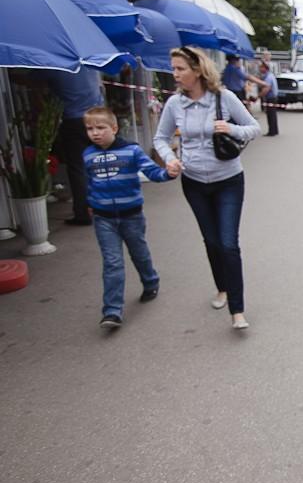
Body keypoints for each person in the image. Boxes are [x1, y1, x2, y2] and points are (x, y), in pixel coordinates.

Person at [154, 46, 261, 329]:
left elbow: (254, 127)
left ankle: (237, 310)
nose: (174, 74)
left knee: (228, 243)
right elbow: (160, 138)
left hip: (228, 181)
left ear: (198, 70)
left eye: (180, 69)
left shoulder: (224, 98)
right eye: (173, 68)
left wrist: (231, 128)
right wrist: (170, 160)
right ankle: (222, 288)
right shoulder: (175, 104)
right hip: (194, 183)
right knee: (211, 241)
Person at [82, 106, 180, 329]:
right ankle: (112, 311)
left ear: (114, 128)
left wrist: (167, 173)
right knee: (112, 262)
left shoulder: (131, 151)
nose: (95, 133)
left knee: (139, 253)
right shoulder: (88, 154)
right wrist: (89, 202)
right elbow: (89, 182)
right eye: (89, 129)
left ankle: (150, 281)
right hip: (103, 218)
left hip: (131, 215)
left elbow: (150, 171)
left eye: (100, 127)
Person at [47, 69, 105, 226]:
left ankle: (83, 213)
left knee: (78, 169)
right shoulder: (88, 62)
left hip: (73, 119)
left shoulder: (57, 66)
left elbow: (34, 79)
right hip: (97, 116)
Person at [258, 62, 278, 136]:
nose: (260, 69)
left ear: (265, 68)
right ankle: (275, 130)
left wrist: (258, 97)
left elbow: (266, 89)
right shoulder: (269, 75)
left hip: (271, 98)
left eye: (261, 67)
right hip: (273, 97)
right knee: (273, 115)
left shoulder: (268, 77)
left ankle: (272, 131)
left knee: (270, 115)